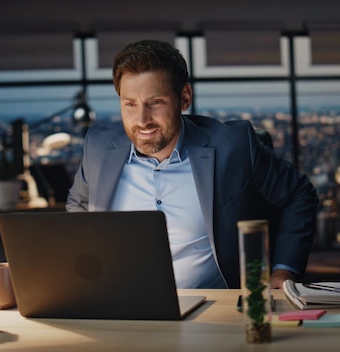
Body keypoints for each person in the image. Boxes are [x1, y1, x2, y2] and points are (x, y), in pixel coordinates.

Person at [66, 39, 319, 289]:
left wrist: (283, 272)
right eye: (130, 104)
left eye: (155, 103)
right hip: (119, 306)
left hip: (212, 310)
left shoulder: (234, 147)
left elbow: (299, 194)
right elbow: (78, 206)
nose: (142, 120)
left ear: (184, 98)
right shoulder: (98, 147)